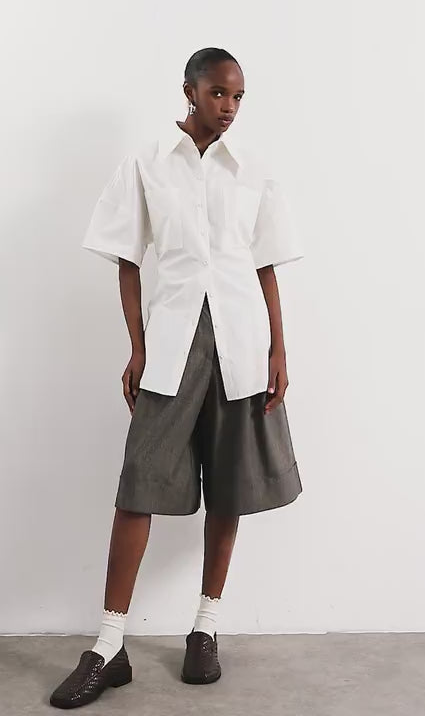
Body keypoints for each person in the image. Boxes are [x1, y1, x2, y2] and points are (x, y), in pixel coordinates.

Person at [49, 47, 304, 710]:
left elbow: (266, 266)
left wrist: (279, 349)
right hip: (172, 340)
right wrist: (137, 347)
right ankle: (108, 646)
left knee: (231, 486)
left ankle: (205, 629)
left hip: (242, 343)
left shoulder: (253, 168)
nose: (230, 106)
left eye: (238, 96)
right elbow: (127, 260)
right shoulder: (146, 163)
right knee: (138, 486)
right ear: (190, 90)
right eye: (218, 93)